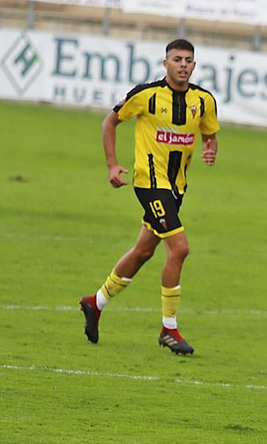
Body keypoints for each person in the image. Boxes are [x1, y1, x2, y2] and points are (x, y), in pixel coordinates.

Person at [79, 39, 219, 356]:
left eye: (189, 60)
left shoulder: (204, 101)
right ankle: (169, 328)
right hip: (149, 183)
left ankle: (95, 303)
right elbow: (110, 122)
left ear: (194, 65)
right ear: (165, 63)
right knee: (180, 249)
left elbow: (210, 135)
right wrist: (112, 164)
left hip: (177, 187)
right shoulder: (147, 96)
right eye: (177, 59)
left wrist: (211, 148)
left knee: (143, 252)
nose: (183, 64)